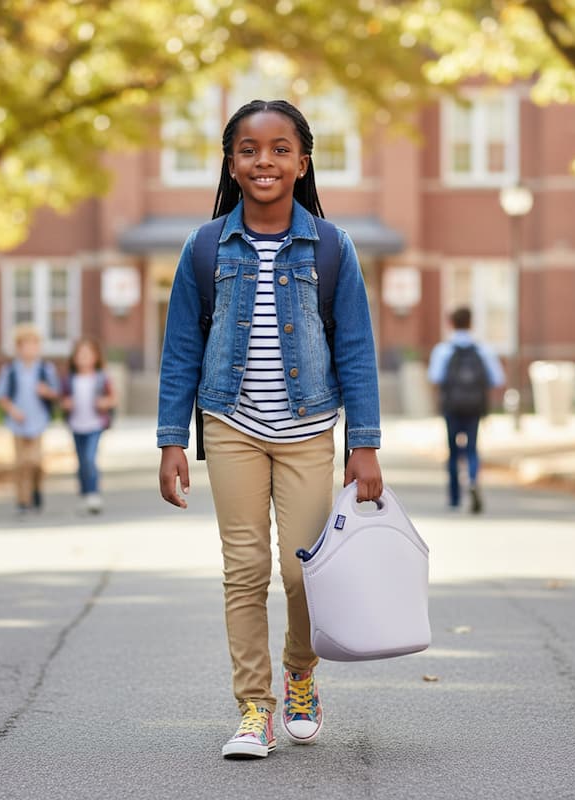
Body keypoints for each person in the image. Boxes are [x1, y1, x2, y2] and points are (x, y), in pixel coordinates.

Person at [157, 99, 383, 760]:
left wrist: (363, 444)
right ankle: (254, 706)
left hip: (309, 427)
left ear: (302, 162)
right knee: (245, 568)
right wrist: (172, 438)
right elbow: (179, 351)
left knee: (304, 571)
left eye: (280, 149)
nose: (265, 161)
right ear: (231, 163)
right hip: (231, 425)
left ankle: (301, 673)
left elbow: (357, 351)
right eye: (250, 150)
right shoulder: (204, 247)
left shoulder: (332, 247)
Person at [427, 306, 505, 513]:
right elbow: (497, 379)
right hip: (475, 407)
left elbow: (435, 379)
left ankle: (454, 497)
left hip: (451, 407)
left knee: (453, 451)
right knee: (471, 449)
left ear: (450, 323)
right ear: (471, 323)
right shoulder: (483, 350)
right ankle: (472, 480)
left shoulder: (443, 350)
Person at [0, 324, 60, 514]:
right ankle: (22, 500)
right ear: (18, 347)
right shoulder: (11, 370)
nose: (31, 349)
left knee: (36, 462)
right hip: (18, 423)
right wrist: (13, 411)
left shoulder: (46, 369)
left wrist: (46, 392)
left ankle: (37, 489)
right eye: (27, 345)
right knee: (21, 463)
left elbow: (56, 393)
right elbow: (1, 395)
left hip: (38, 421)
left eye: (35, 344)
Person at [60, 336, 117, 515]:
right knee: (80, 461)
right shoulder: (70, 379)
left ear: (95, 357)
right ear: (74, 358)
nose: (84, 358)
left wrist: (104, 402)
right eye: (80, 355)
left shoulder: (101, 378)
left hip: (95, 424)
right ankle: (85, 493)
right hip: (77, 425)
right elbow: (62, 400)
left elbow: (113, 398)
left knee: (90, 459)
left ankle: (93, 494)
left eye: (87, 354)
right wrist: (65, 404)